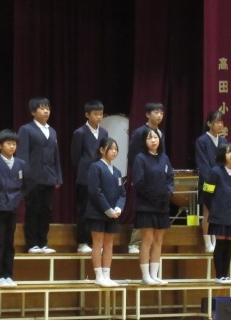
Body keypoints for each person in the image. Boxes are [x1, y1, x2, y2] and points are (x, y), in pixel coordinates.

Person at [17, 97, 63, 254]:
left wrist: (58, 177)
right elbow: (23, 155)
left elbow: (56, 156)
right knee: (33, 210)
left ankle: (43, 243)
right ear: (33, 112)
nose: (46, 111)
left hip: (49, 178)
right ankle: (32, 244)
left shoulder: (52, 131)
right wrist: (25, 176)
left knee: (46, 211)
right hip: (33, 179)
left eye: (48, 108)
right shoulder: (26, 129)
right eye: (42, 108)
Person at [0, 129, 27, 288]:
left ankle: (8, 275)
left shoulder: (21, 164)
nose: (12, 146)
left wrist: (18, 198)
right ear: (0, 145)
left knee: (10, 243)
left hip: (12, 208)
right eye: (8, 143)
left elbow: (26, 186)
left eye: (14, 144)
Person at [132, 127, 174, 286]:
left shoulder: (164, 158)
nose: (153, 140)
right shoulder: (140, 158)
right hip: (146, 205)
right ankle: (145, 276)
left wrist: (168, 193)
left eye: (155, 137)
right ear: (144, 141)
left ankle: (154, 275)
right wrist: (155, 196)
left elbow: (170, 178)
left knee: (158, 239)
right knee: (147, 239)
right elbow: (139, 183)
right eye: (149, 138)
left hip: (162, 205)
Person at [125, 102, 165, 254]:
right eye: (156, 112)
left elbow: (162, 156)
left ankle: (150, 245)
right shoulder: (139, 132)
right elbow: (132, 156)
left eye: (161, 112)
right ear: (148, 114)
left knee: (155, 211)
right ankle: (134, 243)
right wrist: (136, 176)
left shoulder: (160, 133)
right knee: (143, 211)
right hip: (143, 179)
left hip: (157, 180)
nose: (159, 115)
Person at [86, 137, 125, 287]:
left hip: (113, 214)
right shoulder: (95, 167)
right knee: (98, 243)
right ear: (102, 150)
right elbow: (95, 191)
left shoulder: (117, 172)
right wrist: (108, 209)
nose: (114, 151)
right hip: (98, 212)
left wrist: (118, 208)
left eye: (116, 149)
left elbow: (122, 193)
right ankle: (98, 276)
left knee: (109, 243)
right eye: (111, 148)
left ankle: (107, 275)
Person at [71, 100, 108, 254]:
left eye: (101, 114)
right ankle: (82, 242)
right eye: (95, 114)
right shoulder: (80, 132)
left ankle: (96, 242)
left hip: (100, 176)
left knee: (98, 210)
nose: (99, 117)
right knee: (85, 210)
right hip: (85, 177)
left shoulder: (104, 132)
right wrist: (84, 169)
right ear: (87, 115)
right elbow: (75, 156)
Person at [202, 143, 231, 284]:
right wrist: (214, 208)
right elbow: (206, 193)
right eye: (228, 152)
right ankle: (219, 275)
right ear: (222, 155)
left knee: (228, 244)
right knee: (220, 243)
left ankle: (226, 274)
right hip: (219, 213)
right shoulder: (215, 172)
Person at [195, 110, 227, 253]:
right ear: (209, 123)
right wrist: (213, 179)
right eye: (217, 122)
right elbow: (203, 164)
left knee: (218, 212)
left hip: (221, 183)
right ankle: (208, 242)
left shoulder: (224, 141)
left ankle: (216, 241)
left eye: (221, 122)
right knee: (208, 211)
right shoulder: (201, 141)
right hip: (207, 182)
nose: (220, 125)